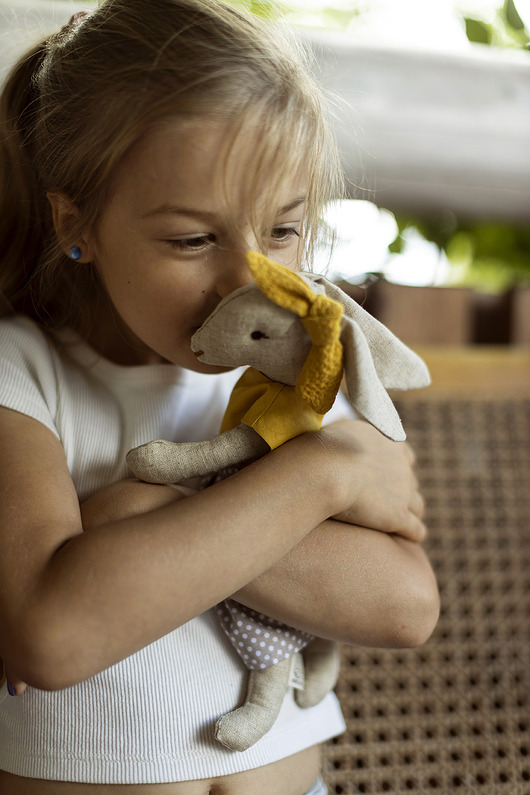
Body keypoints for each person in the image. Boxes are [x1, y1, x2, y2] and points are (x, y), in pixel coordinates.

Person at [0, 1, 440, 793]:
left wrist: (136, 516)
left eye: (282, 231)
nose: (248, 281)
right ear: (79, 224)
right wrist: (323, 476)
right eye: (191, 239)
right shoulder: (19, 371)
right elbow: (52, 634)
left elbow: (406, 607)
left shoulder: (297, 367)